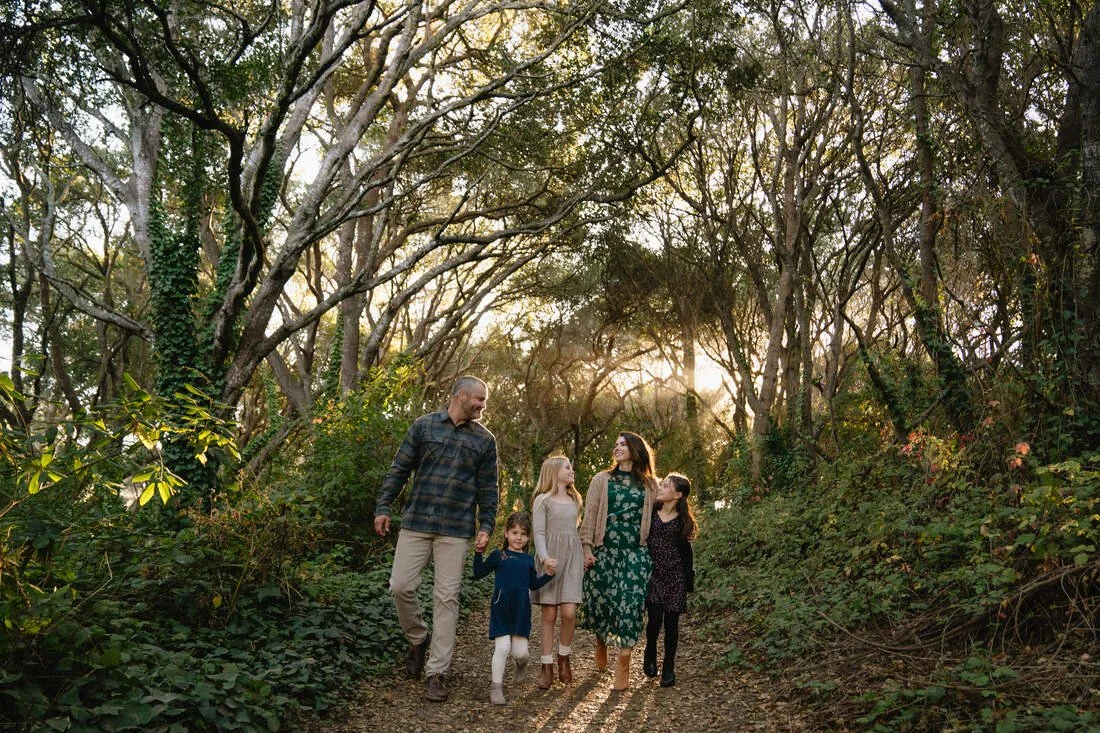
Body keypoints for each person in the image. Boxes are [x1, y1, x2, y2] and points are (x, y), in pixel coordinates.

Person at [374, 376, 499, 702]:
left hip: (455, 530)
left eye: (484, 401)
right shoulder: (424, 427)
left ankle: (436, 672)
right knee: (400, 585)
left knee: (447, 598)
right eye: (479, 399)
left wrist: (486, 525)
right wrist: (384, 506)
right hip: (416, 522)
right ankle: (418, 637)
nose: (482, 406)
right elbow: (400, 468)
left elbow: (489, 489)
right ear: (461, 395)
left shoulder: (485, 441)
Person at [578, 431, 657, 691]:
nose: (617, 448)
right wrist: (587, 549)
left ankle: (624, 662)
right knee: (603, 603)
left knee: (631, 606)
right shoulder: (602, 479)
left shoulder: (650, 485)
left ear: (636, 449)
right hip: (605, 552)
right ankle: (601, 640)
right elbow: (589, 517)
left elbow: (664, 512)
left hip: (635, 554)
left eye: (623, 444)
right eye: (616, 445)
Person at [472, 511, 555, 705]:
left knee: (519, 652)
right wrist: (477, 553)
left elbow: (533, 584)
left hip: (520, 611)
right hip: (501, 608)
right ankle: (497, 687)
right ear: (506, 534)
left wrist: (549, 575)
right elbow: (478, 573)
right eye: (515, 532)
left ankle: (522, 664)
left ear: (528, 538)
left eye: (523, 534)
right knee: (502, 648)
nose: (519, 538)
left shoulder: (528, 560)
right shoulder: (498, 556)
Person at [530, 454, 584, 688]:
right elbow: (539, 533)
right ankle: (546, 666)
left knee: (569, 612)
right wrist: (544, 558)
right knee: (549, 614)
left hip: (572, 558)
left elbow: (577, 530)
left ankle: (564, 656)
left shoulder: (575, 499)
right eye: (567, 467)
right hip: (550, 558)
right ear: (553, 471)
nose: (572, 470)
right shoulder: (543, 500)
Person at [643, 472, 698, 687]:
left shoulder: (683, 522)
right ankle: (650, 653)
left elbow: (687, 553)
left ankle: (668, 667)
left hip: (675, 577)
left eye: (666, 486)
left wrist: (688, 580)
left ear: (677, 494)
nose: (661, 488)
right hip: (654, 575)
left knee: (672, 624)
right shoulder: (651, 513)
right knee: (654, 621)